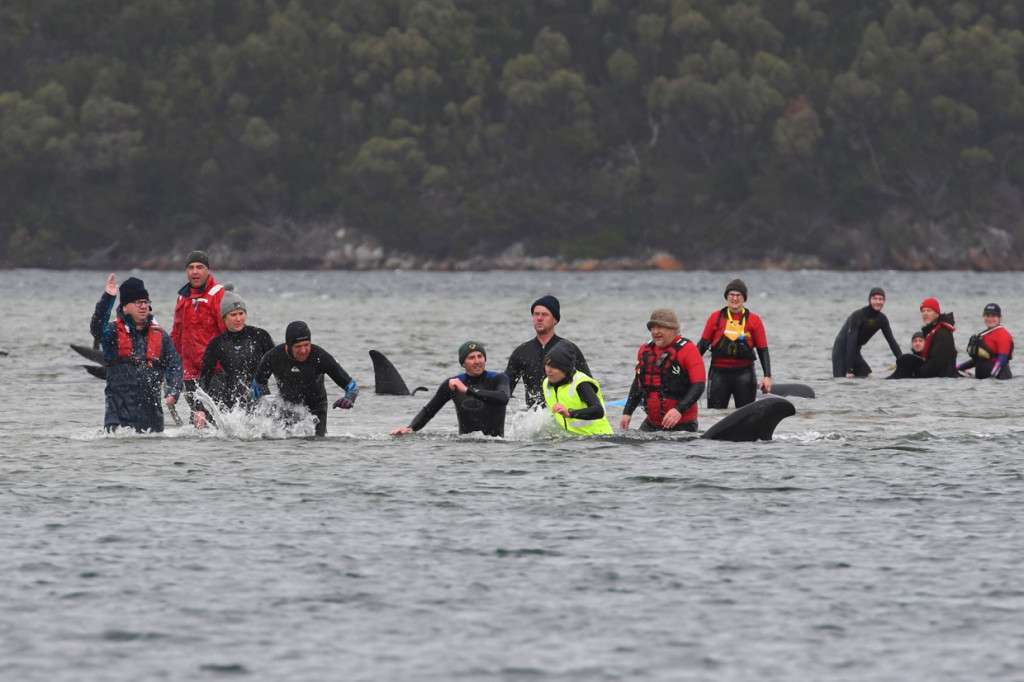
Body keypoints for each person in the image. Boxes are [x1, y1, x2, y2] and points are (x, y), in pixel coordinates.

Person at [90, 274, 183, 433]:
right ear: (125, 307)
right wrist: (108, 298)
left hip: (152, 422)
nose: (143, 306)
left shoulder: (161, 337)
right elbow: (96, 328)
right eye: (137, 302)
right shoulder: (112, 334)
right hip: (118, 420)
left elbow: (175, 365)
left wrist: (173, 391)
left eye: (145, 302)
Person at [251, 321, 358, 436]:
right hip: (286, 407)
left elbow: (351, 386)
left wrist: (349, 398)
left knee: (318, 442)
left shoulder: (320, 356)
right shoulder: (273, 356)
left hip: (316, 409)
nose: (303, 350)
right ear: (288, 345)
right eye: (298, 347)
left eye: (306, 345)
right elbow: (258, 386)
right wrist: (256, 410)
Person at [390, 341, 510, 437]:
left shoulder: (498, 378)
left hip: (495, 447)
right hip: (464, 445)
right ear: (463, 363)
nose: (477, 361)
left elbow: (503, 398)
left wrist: (468, 390)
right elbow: (429, 411)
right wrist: (410, 428)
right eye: (471, 358)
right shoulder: (453, 384)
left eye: (480, 356)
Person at [192, 291, 276, 426]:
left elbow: (279, 367)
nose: (238, 319)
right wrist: (199, 409)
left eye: (241, 313)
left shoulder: (260, 336)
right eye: (233, 315)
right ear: (224, 318)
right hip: (232, 404)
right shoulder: (217, 343)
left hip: (260, 399)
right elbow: (204, 379)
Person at [620, 309, 706, 433]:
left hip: (682, 423)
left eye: (660, 327)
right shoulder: (644, 350)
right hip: (651, 423)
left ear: (672, 329)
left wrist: (679, 410)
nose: (655, 332)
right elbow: (638, 384)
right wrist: (627, 412)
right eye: (652, 328)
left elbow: (699, 386)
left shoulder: (689, 350)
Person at [505, 295, 593, 408]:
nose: (539, 318)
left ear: (555, 319)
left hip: (565, 414)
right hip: (535, 418)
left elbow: (589, 385)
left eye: (545, 314)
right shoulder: (521, 352)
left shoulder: (569, 349)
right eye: (536, 314)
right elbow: (505, 390)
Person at [696, 279, 771, 408]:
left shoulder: (754, 320)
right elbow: (702, 345)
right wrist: (688, 371)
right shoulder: (716, 317)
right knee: (715, 415)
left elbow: (762, 350)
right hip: (718, 374)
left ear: (744, 298)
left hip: (744, 375)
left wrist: (767, 376)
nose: (735, 298)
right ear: (726, 297)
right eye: (731, 295)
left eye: (739, 295)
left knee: (745, 416)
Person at [171, 250, 227, 422]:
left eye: (200, 267)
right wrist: (169, 361)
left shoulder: (218, 293)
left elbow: (226, 334)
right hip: (189, 372)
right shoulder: (182, 296)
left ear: (208, 270)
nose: (195, 272)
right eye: (191, 267)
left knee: (207, 421)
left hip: (214, 372)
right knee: (195, 421)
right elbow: (176, 333)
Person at [542, 341, 613, 435]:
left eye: (553, 367)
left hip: (599, 440)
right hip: (574, 442)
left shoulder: (581, 383)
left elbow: (598, 411)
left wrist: (570, 413)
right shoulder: (546, 383)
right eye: (547, 365)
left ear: (565, 369)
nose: (548, 370)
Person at [831, 287, 902, 377]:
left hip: (855, 352)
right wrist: (849, 369)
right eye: (874, 298)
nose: (877, 302)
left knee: (868, 377)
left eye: (880, 299)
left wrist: (902, 360)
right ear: (869, 300)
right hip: (841, 351)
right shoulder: (858, 315)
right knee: (841, 381)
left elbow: (891, 341)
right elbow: (851, 342)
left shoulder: (882, 319)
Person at [889, 298, 958, 378]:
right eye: (923, 311)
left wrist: (916, 373)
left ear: (937, 313)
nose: (925, 314)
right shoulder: (932, 331)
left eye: (929, 311)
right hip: (933, 376)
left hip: (942, 380)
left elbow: (938, 362)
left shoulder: (942, 333)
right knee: (905, 359)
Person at [958, 303, 1013, 379]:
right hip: (982, 381)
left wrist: (992, 377)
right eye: (987, 316)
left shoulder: (1003, 335)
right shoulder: (984, 335)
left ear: (999, 317)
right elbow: (978, 360)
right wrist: (958, 367)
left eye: (993, 316)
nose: (990, 319)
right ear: (984, 316)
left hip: (1000, 379)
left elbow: (1001, 360)